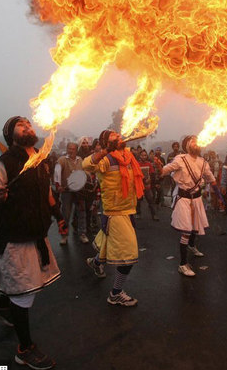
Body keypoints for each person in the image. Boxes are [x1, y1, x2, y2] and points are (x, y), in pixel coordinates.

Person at [0, 116, 62, 370]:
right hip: (16, 240)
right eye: (21, 125)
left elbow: (47, 192)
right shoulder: (3, 164)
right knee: (25, 292)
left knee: (21, 288)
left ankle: (3, 307)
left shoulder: (41, 158)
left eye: (28, 123)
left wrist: (59, 216)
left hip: (36, 234)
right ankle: (24, 349)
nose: (28, 127)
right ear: (11, 135)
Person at [83, 129, 143, 306]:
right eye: (113, 137)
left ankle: (96, 263)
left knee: (109, 244)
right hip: (115, 213)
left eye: (118, 135)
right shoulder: (106, 159)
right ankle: (115, 293)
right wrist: (104, 151)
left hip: (128, 209)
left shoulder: (129, 157)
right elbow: (86, 165)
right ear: (106, 143)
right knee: (128, 255)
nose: (119, 136)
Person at [161, 135, 218, 277]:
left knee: (194, 226)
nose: (196, 144)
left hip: (197, 199)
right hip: (184, 199)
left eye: (197, 141)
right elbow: (166, 170)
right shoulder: (181, 159)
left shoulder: (203, 162)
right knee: (186, 230)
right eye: (192, 142)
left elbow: (211, 178)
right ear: (187, 146)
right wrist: (159, 169)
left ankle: (192, 246)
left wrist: (220, 195)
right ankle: (183, 264)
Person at [53, 142, 87, 244]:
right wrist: (58, 186)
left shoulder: (80, 160)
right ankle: (64, 236)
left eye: (73, 149)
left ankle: (82, 234)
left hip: (79, 191)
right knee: (65, 215)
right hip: (67, 192)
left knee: (81, 213)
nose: (71, 150)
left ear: (76, 150)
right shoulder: (62, 160)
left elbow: (84, 172)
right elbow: (57, 174)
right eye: (69, 148)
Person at [137, 150, 159, 221]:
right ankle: (138, 213)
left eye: (145, 155)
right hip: (140, 186)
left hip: (147, 185)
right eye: (142, 155)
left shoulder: (149, 164)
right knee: (138, 201)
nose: (144, 157)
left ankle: (154, 215)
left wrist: (150, 180)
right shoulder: (137, 164)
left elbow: (152, 174)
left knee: (150, 200)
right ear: (140, 156)